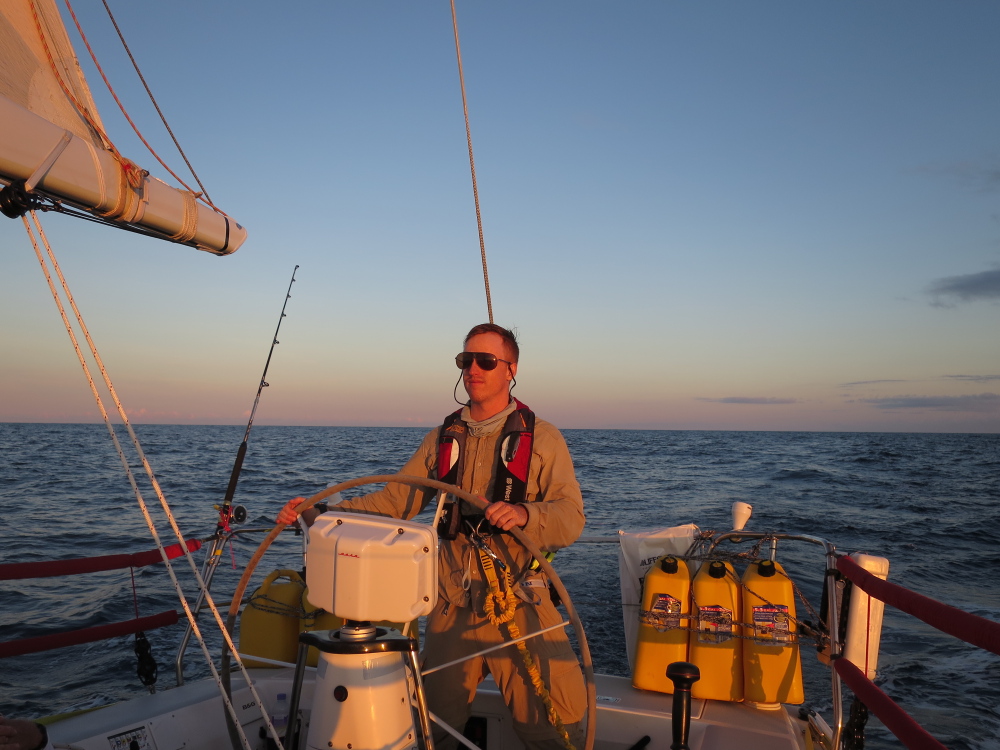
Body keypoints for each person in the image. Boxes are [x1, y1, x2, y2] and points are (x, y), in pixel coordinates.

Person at [278, 323, 587, 750]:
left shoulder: (544, 439)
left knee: (552, 728)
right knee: (430, 727)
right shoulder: (442, 439)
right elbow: (394, 502)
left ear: (511, 369)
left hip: (518, 598)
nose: (473, 369)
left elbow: (570, 517)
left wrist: (523, 512)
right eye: (466, 360)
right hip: (450, 600)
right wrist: (319, 512)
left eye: (485, 361)